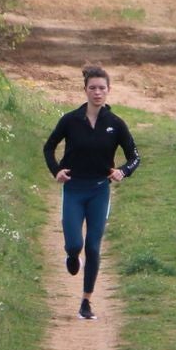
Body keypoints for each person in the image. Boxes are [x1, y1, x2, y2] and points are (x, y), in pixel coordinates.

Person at [42, 65, 140, 320]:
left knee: (93, 248)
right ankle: (72, 256)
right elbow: (48, 148)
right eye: (93, 88)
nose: (97, 92)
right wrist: (56, 171)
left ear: (109, 91)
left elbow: (135, 157)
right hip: (74, 189)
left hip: (99, 190)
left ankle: (86, 302)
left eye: (102, 88)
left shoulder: (116, 124)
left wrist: (122, 171)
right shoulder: (70, 120)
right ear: (85, 90)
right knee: (75, 244)